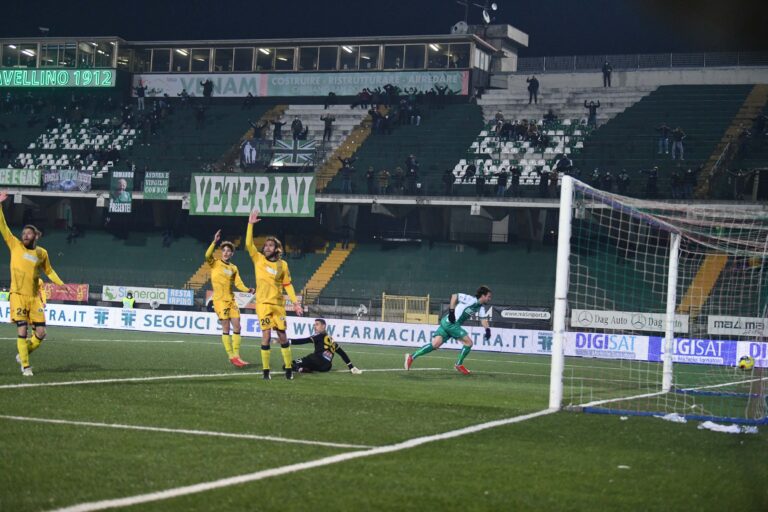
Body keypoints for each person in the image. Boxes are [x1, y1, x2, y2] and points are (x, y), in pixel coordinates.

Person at [0, 192, 64, 377]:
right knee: (22, 329)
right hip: (18, 295)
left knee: (42, 333)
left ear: (36, 236)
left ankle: (23, 353)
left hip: (34, 298)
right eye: (23, 232)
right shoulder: (15, 245)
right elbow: (3, 226)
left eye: (29, 233)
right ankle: (26, 366)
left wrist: (61, 284)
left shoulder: (41, 253)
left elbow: (49, 271)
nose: (24, 235)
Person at [246, 210, 304, 380]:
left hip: (278, 305)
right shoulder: (258, 259)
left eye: (270, 245)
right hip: (263, 304)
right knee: (265, 335)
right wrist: (250, 224)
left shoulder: (283, 265)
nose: (266, 247)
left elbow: (288, 285)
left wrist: (295, 303)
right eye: (265, 245)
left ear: (277, 249)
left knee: (282, 335)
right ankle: (266, 371)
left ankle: (287, 368)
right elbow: (249, 244)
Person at [405, 286, 493, 375]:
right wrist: (451, 312)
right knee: (469, 343)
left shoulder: (480, 308)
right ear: (483, 295)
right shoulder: (470, 299)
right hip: (452, 323)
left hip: (449, 323)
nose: (490, 299)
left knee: (435, 344)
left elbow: (483, 320)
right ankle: (458, 364)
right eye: (488, 296)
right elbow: (454, 296)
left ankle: (411, 357)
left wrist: (488, 330)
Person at [207, 230, 255, 368]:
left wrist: (247, 289)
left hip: (231, 300)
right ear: (221, 252)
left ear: (232, 254)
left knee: (238, 325)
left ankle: (237, 356)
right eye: (224, 250)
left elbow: (238, 283)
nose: (226, 252)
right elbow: (207, 255)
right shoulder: (214, 263)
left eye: (229, 251)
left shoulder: (234, 268)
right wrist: (214, 242)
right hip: (219, 300)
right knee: (226, 326)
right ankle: (231, 356)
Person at [289, 318, 362, 374]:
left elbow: (305, 340)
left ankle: (300, 369)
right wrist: (351, 367)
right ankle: (304, 369)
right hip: (326, 367)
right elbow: (342, 353)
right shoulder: (331, 339)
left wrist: (288, 341)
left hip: (315, 360)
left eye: (317, 324)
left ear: (323, 326)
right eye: (314, 325)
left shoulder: (319, 335)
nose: (314, 326)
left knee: (288, 365)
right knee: (307, 365)